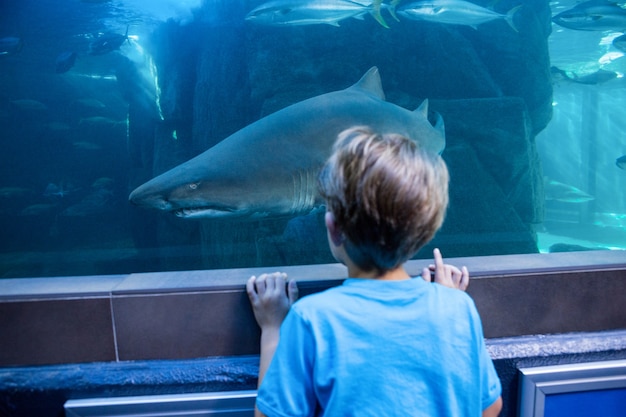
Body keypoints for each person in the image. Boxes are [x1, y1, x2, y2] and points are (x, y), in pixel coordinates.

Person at [246, 126, 502, 417]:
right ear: (426, 233)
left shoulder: (312, 319)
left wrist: (272, 329)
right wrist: (444, 299)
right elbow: (491, 408)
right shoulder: (457, 308)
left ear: (333, 229)